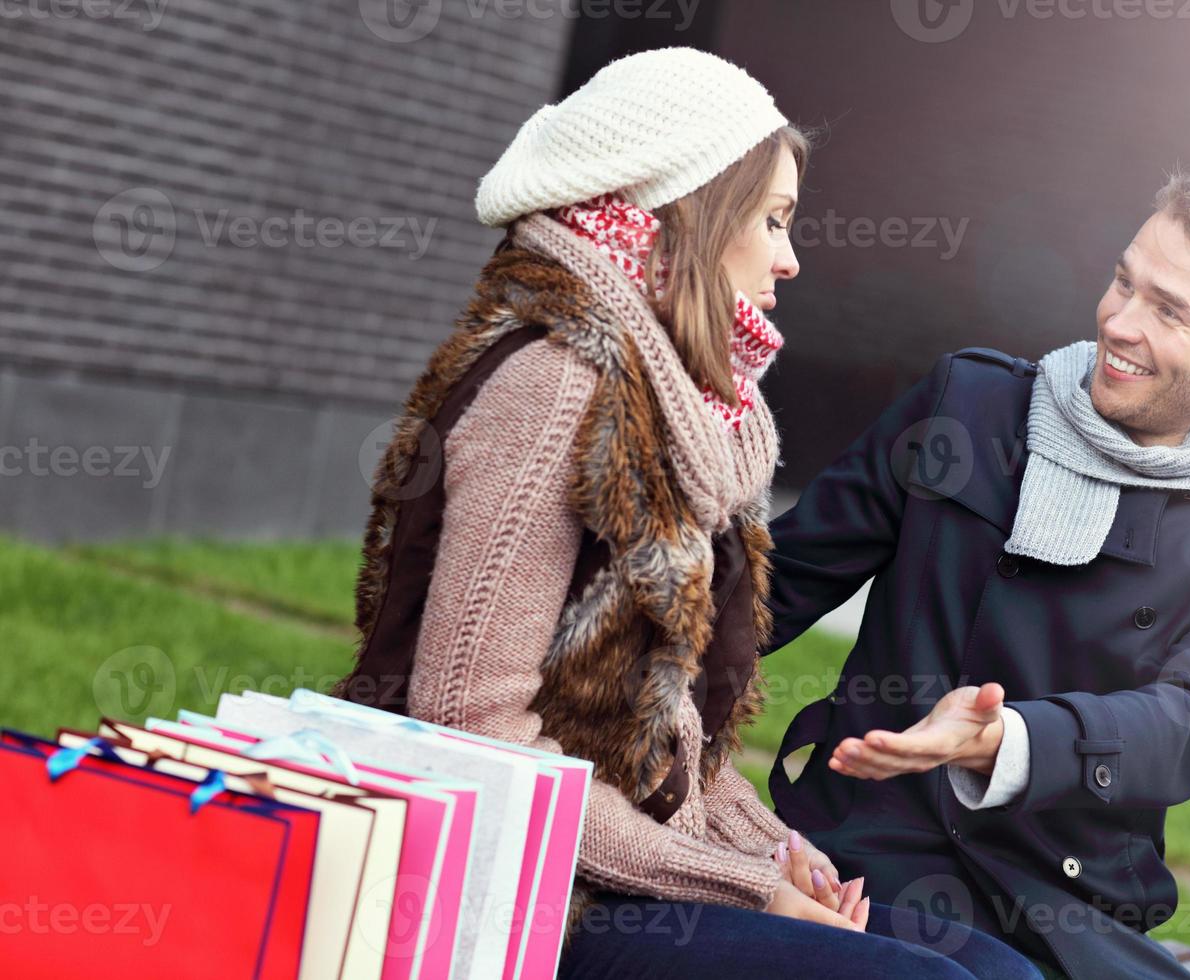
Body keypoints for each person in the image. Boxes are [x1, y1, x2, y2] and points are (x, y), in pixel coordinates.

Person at [334, 46, 1042, 980]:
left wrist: (779, 853)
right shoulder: (557, 385)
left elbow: (668, 755)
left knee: (1007, 975)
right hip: (517, 897)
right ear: (682, 217)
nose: (791, 259)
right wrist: (742, 886)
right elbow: (476, 730)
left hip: (616, 870)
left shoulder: (676, 403)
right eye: (773, 221)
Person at [761, 168, 1190, 979]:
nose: (1119, 321)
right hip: (867, 850)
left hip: (1072, 906)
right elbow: (766, 595)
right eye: (1124, 281)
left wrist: (1005, 741)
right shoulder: (966, 408)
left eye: (1169, 310)